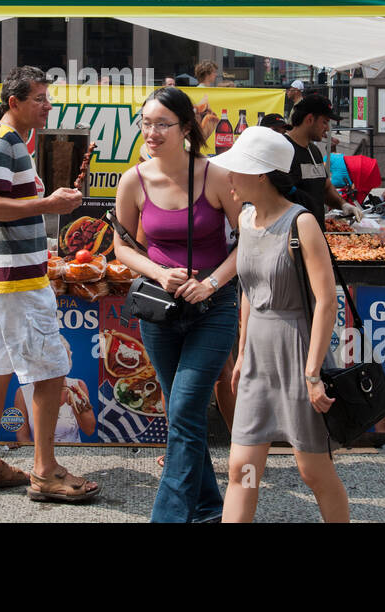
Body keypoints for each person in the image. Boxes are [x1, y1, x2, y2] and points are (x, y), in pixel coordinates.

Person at [0, 66, 99, 502]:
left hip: (4, 280)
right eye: (40, 98)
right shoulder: (3, 142)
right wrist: (49, 202)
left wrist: (45, 201)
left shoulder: (2, 141)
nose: (47, 105)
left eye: (47, 97)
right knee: (48, 370)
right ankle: (46, 472)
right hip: (15, 280)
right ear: (15, 103)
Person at [113, 85, 242, 523]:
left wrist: (212, 282)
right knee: (182, 412)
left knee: (185, 410)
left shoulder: (216, 175)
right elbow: (121, 247)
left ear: (185, 128)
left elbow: (249, 241)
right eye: (146, 123)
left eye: (162, 124)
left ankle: (167, 518)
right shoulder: (133, 180)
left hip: (214, 308)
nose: (151, 132)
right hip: (159, 310)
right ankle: (208, 507)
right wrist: (156, 271)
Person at [212, 126, 349, 524]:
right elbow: (249, 292)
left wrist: (312, 373)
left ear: (260, 174)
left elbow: (326, 302)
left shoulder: (301, 223)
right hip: (257, 356)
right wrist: (240, 356)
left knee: (313, 470)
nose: (229, 179)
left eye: (235, 171)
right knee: (242, 471)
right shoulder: (247, 218)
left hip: (296, 350)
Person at [287, 95, 361, 222]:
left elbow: (325, 187)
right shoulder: (283, 150)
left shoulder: (314, 151)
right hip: (291, 235)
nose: (327, 128)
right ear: (310, 119)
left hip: (317, 231)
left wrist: (343, 204)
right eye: (325, 122)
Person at [11, 339, 96, 443]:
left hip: (73, 452)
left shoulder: (77, 386)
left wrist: (75, 404)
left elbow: (89, 430)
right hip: (40, 456)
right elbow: (22, 435)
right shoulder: (23, 393)